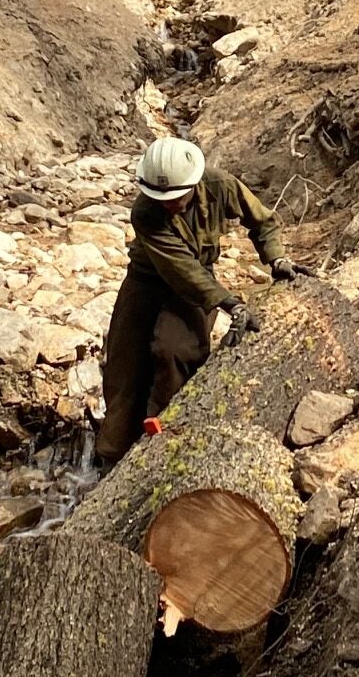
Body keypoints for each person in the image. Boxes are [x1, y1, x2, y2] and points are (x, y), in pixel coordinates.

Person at [99, 136, 299, 467]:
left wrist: (276, 260)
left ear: (193, 184)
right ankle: (113, 454)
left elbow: (262, 221)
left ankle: (164, 440)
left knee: (177, 352)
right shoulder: (146, 212)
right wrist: (231, 303)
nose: (170, 204)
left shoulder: (221, 186)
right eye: (162, 199)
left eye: (176, 197)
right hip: (147, 281)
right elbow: (181, 270)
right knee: (125, 367)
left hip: (196, 280)